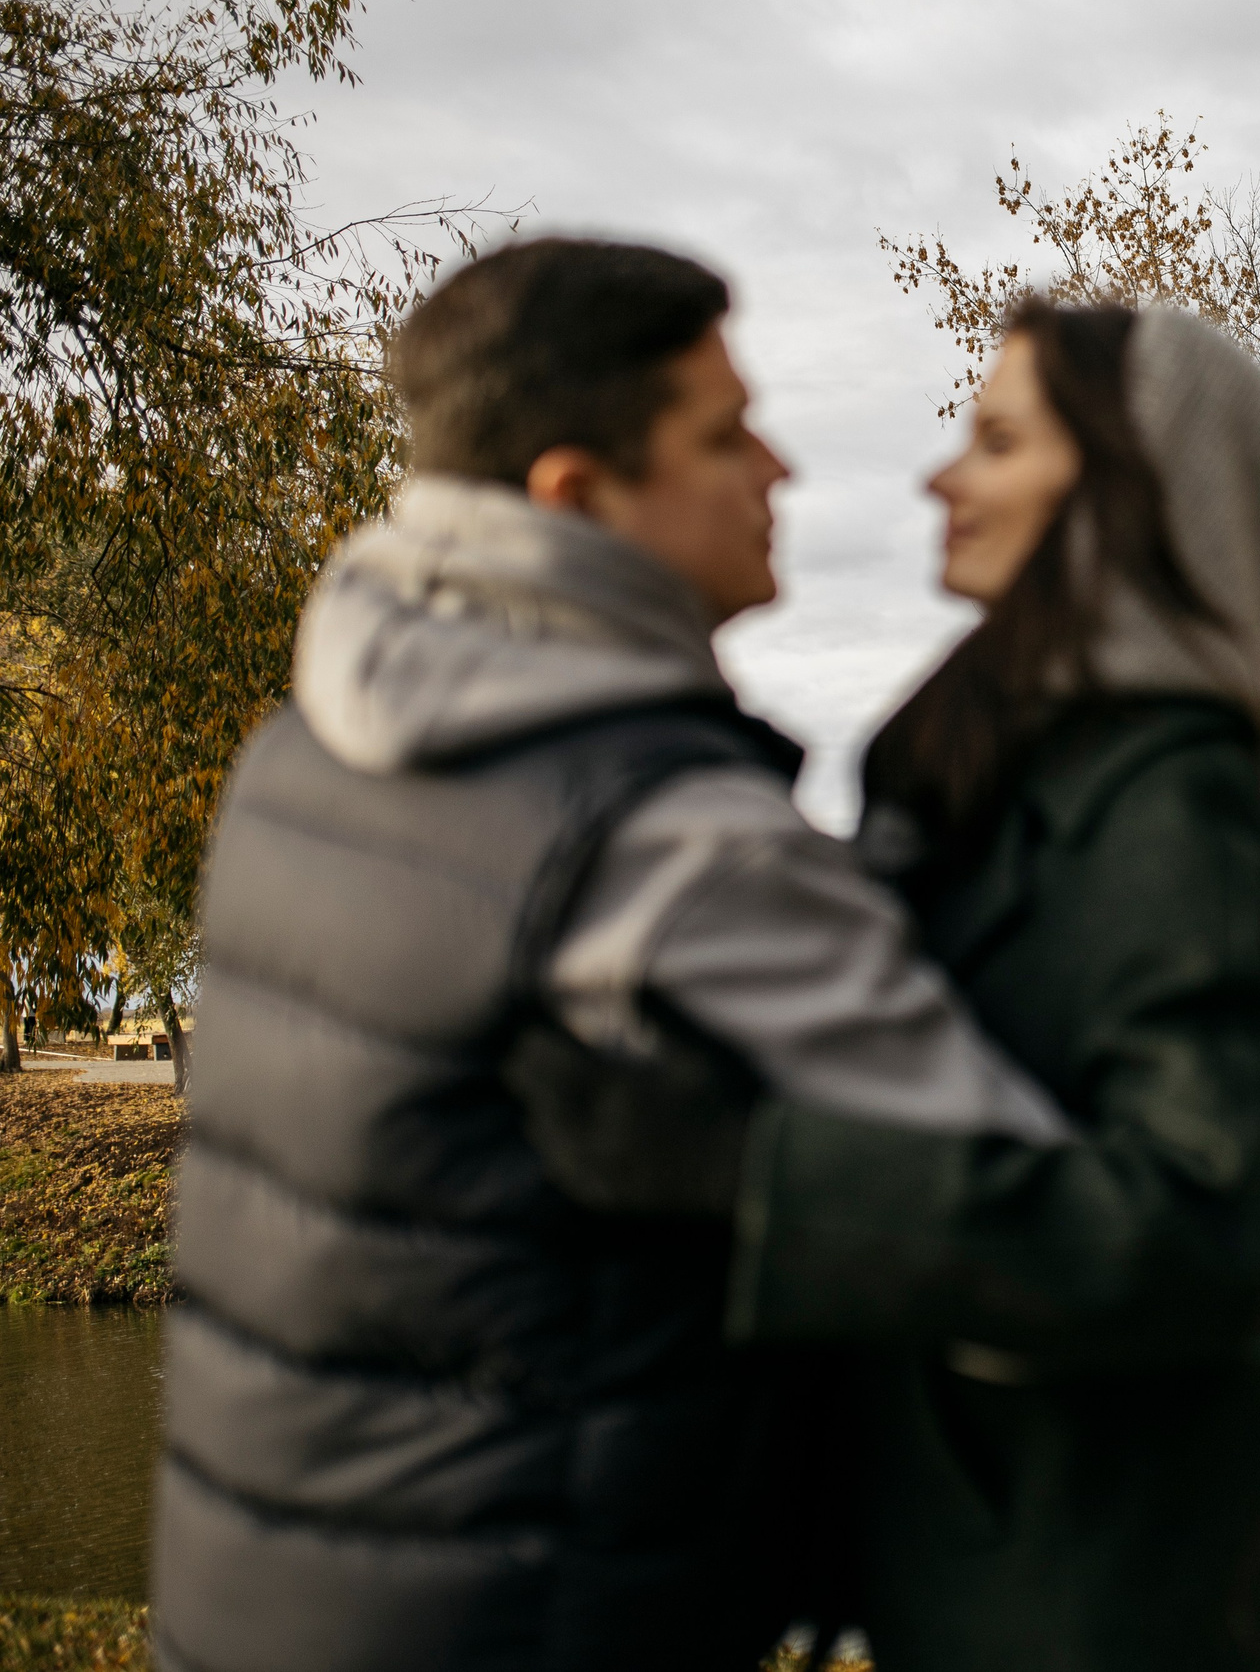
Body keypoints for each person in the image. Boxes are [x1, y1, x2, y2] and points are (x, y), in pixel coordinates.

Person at [149, 238, 1078, 1672]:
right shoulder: (668, 833)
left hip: (262, 1600)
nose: (780, 466)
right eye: (722, 432)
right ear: (576, 499)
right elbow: (1035, 1225)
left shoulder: (298, 751)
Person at [733, 298, 1260, 1668]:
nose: (939, 476)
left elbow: (1200, 1217)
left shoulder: (1160, 794)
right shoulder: (999, 765)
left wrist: (760, 1172)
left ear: (1118, 489)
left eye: (997, 439)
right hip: (980, 1558)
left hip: (1090, 1601)